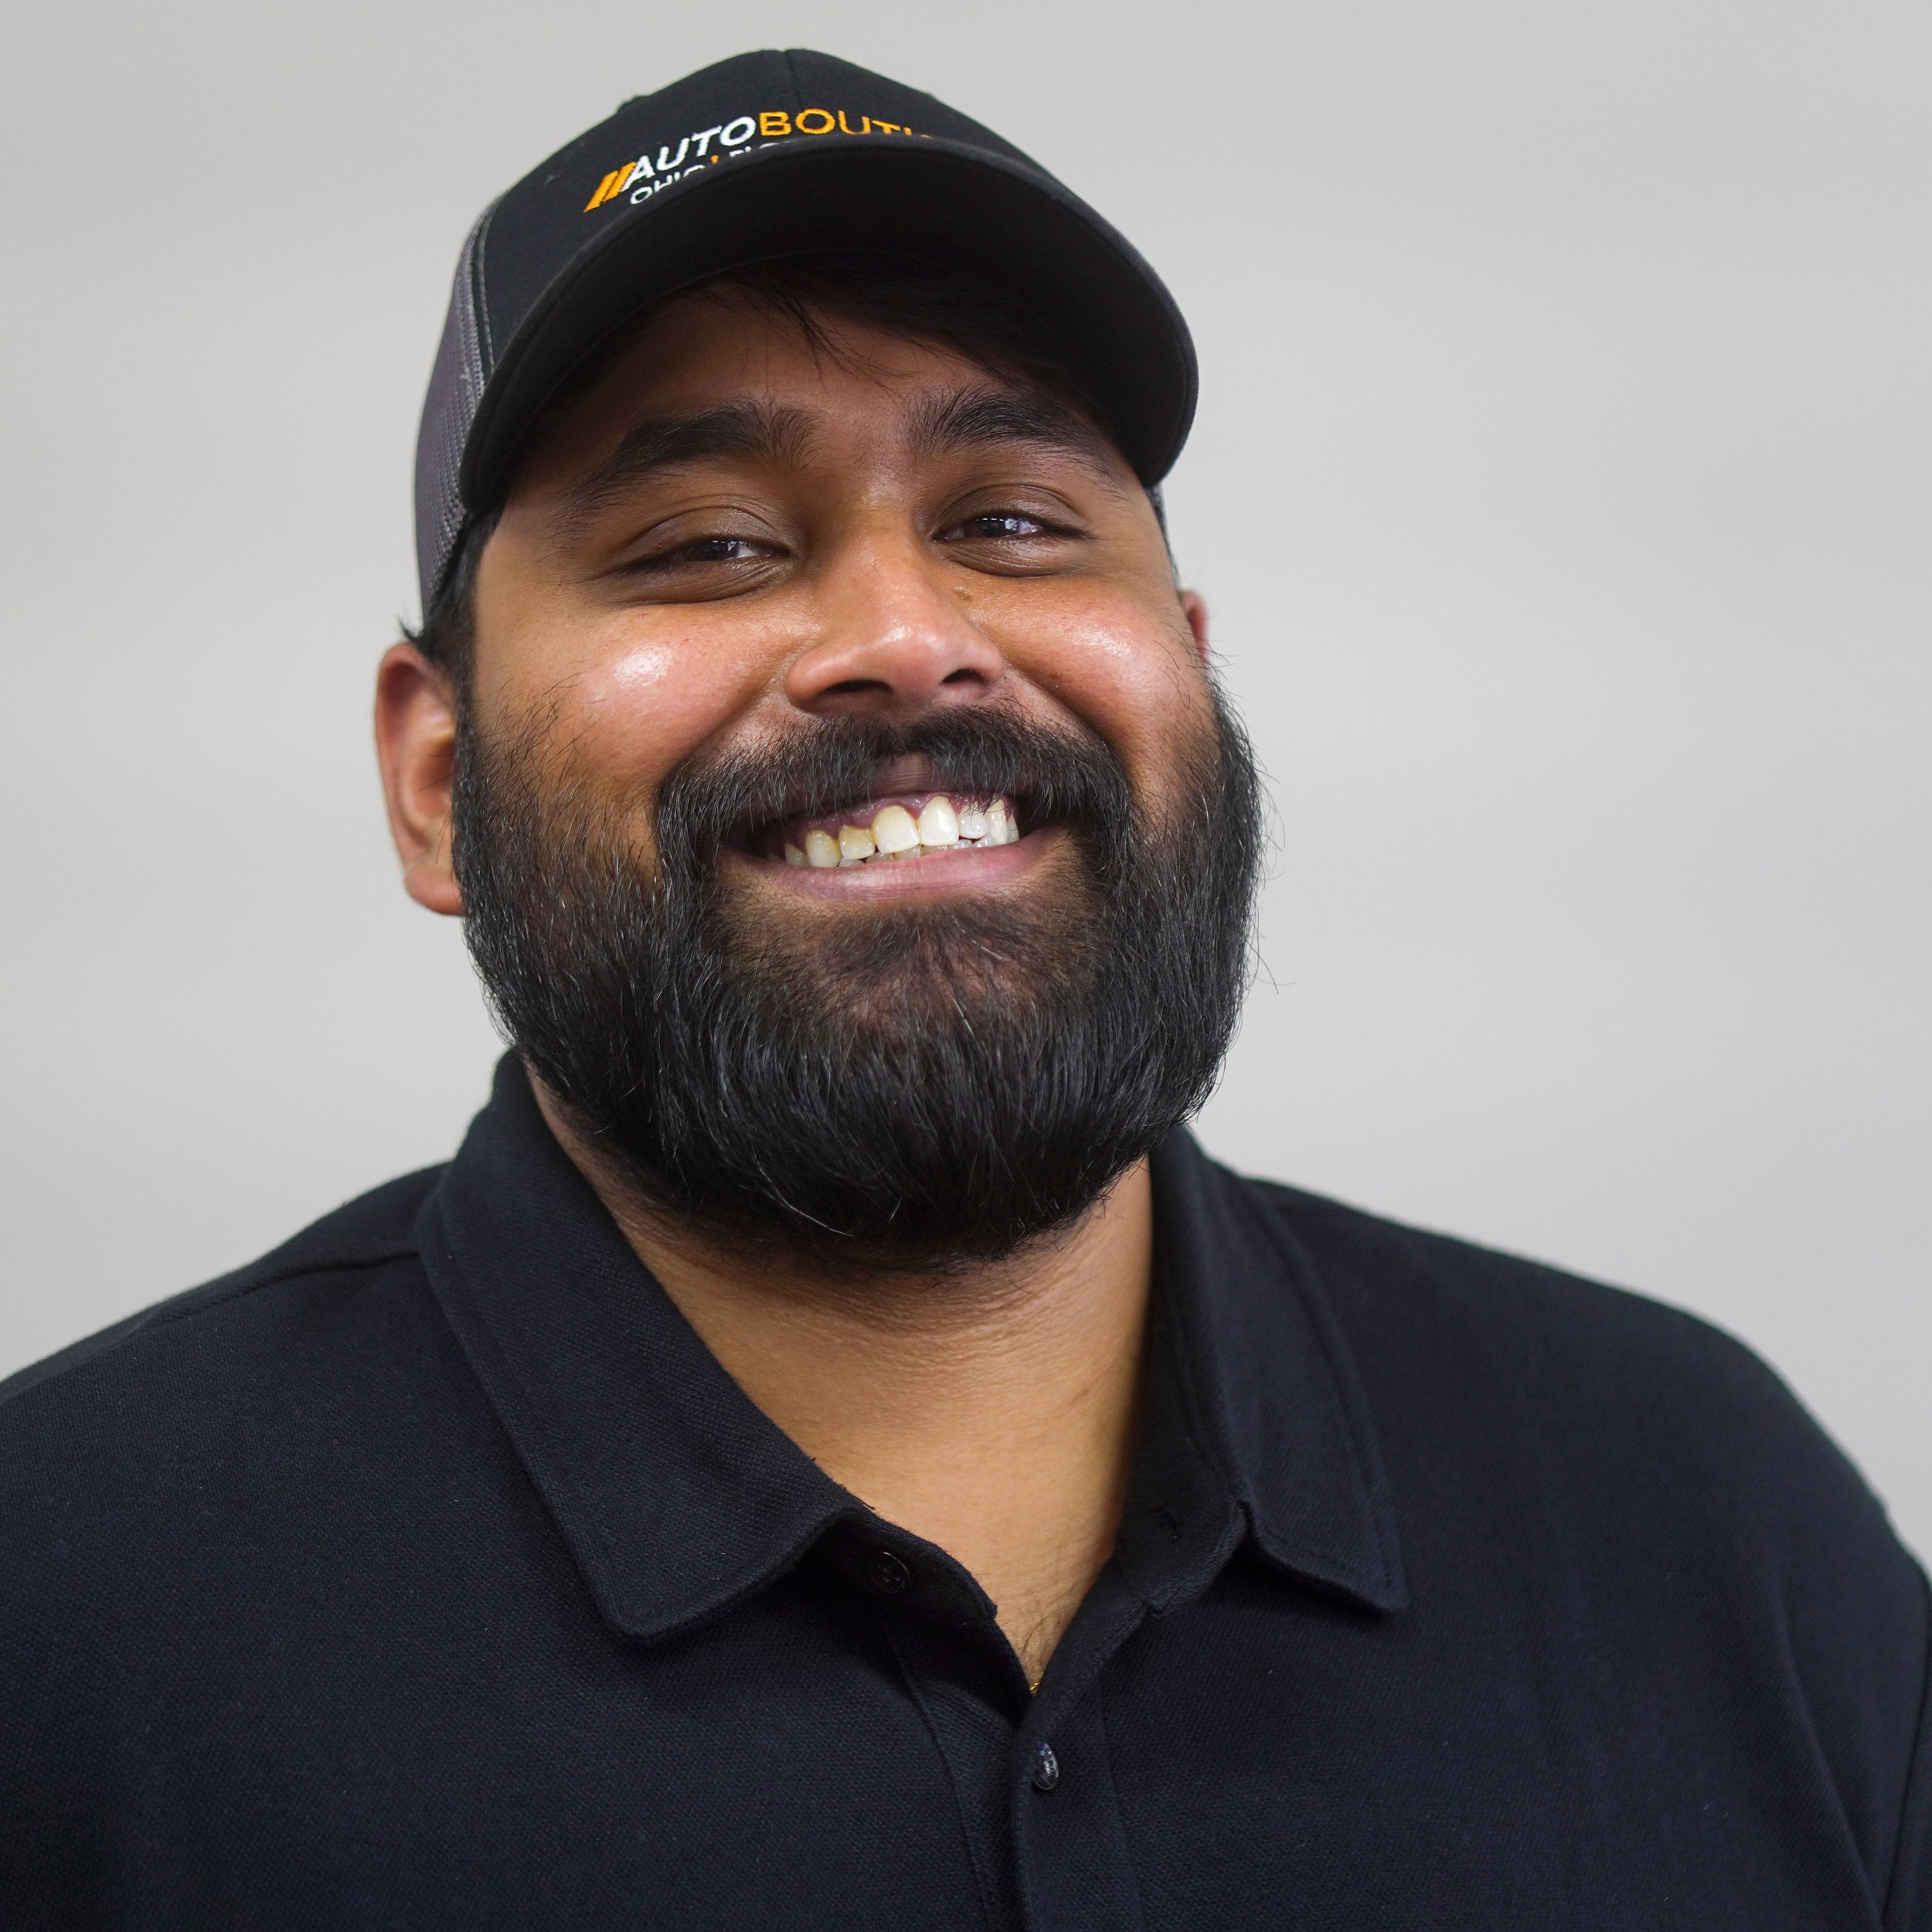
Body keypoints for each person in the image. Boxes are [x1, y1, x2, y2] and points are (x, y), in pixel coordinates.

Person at [1, 46, 1925, 1932]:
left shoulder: (1701, 1516)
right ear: (438, 780)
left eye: (1010, 520)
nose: (906, 640)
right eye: (705, 546)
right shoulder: (61, 1609)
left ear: (1182, 665)